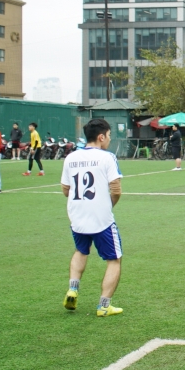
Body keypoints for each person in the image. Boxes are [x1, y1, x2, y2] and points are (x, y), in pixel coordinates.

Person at [62, 118, 125, 317]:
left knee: (81, 250)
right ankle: (104, 305)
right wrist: (108, 205)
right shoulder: (107, 157)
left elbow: (66, 189)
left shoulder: (70, 157)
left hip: (77, 214)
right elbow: (116, 189)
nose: (109, 139)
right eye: (109, 136)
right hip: (101, 218)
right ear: (101, 136)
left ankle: (73, 288)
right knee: (114, 260)